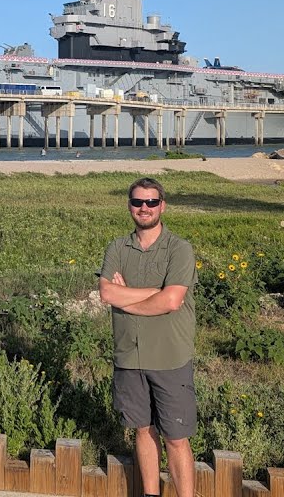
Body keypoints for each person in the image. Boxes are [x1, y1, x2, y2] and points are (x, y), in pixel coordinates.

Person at [99, 177, 197, 497]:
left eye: (151, 202)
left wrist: (127, 299)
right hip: (130, 354)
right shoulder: (116, 246)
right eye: (138, 202)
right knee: (143, 429)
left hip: (169, 357)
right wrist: (153, 294)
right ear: (129, 206)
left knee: (176, 437)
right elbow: (106, 292)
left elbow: (172, 301)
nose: (145, 208)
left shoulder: (179, 248)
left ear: (162, 206)